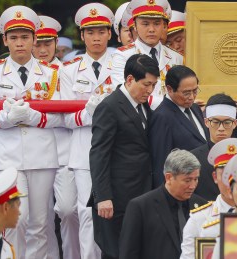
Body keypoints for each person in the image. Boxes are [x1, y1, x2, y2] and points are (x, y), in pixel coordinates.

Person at [0, 6, 63, 259]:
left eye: (25, 37)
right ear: (5, 40)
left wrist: (35, 117)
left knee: (39, 223)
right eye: (13, 38)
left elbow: (60, 115)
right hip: (9, 157)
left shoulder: (52, 73)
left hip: (42, 155)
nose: (20, 43)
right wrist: (8, 118)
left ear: (35, 39)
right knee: (17, 219)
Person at [59, 3, 116, 258]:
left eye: (101, 32)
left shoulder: (121, 64)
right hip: (84, 149)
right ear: (81, 36)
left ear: (109, 34)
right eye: (90, 32)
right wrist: (90, 112)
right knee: (86, 213)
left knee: (117, 211)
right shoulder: (68, 70)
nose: (96, 37)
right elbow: (66, 119)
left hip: (118, 147)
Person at [89, 54, 158, 259]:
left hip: (141, 194)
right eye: (146, 84)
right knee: (116, 253)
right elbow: (99, 154)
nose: (150, 90)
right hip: (116, 199)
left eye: (154, 85)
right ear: (129, 80)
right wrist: (103, 197)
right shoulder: (109, 107)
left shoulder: (143, 105)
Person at [32, 15, 81, 259]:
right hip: (32, 151)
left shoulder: (70, 71)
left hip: (64, 150)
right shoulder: (23, 72)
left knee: (68, 209)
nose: (42, 50)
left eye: (47, 43)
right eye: (37, 44)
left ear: (55, 43)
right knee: (38, 217)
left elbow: (74, 112)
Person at [119, 149, 207, 259]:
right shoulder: (141, 207)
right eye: (187, 180)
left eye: (196, 179)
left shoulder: (202, 206)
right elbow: (128, 253)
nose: (193, 186)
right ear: (169, 177)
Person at [180, 138, 237, 259]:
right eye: (225, 174)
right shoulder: (199, 219)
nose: (231, 181)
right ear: (215, 177)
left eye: (236, 173)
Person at [111, 0, 183, 110]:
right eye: (145, 24)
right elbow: (124, 93)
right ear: (135, 26)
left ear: (164, 26)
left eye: (157, 23)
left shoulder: (176, 57)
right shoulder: (122, 55)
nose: (151, 29)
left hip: (170, 121)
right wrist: (171, 105)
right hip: (139, 120)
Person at [149, 65, 207, 186]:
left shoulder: (195, 108)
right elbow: (161, 163)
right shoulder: (162, 116)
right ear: (169, 89)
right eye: (186, 93)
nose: (192, 97)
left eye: (195, 91)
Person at [191, 93, 237, 200]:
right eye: (216, 122)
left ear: (235, 123)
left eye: (227, 122)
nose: (221, 128)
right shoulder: (193, 158)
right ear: (206, 122)